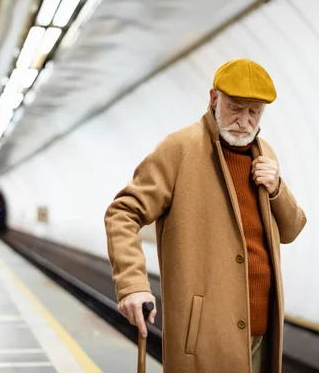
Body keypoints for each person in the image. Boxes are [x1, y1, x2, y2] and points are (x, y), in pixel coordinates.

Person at [104, 58, 307, 373]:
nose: (244, 121)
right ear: (214, 99)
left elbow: (292, 230)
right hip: (205, 338)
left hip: (261, 334)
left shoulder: (265, 154)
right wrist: (132, 284)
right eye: (236, 107)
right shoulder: (180, 148)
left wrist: (277, 187)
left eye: (254, 112)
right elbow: (123, 212)